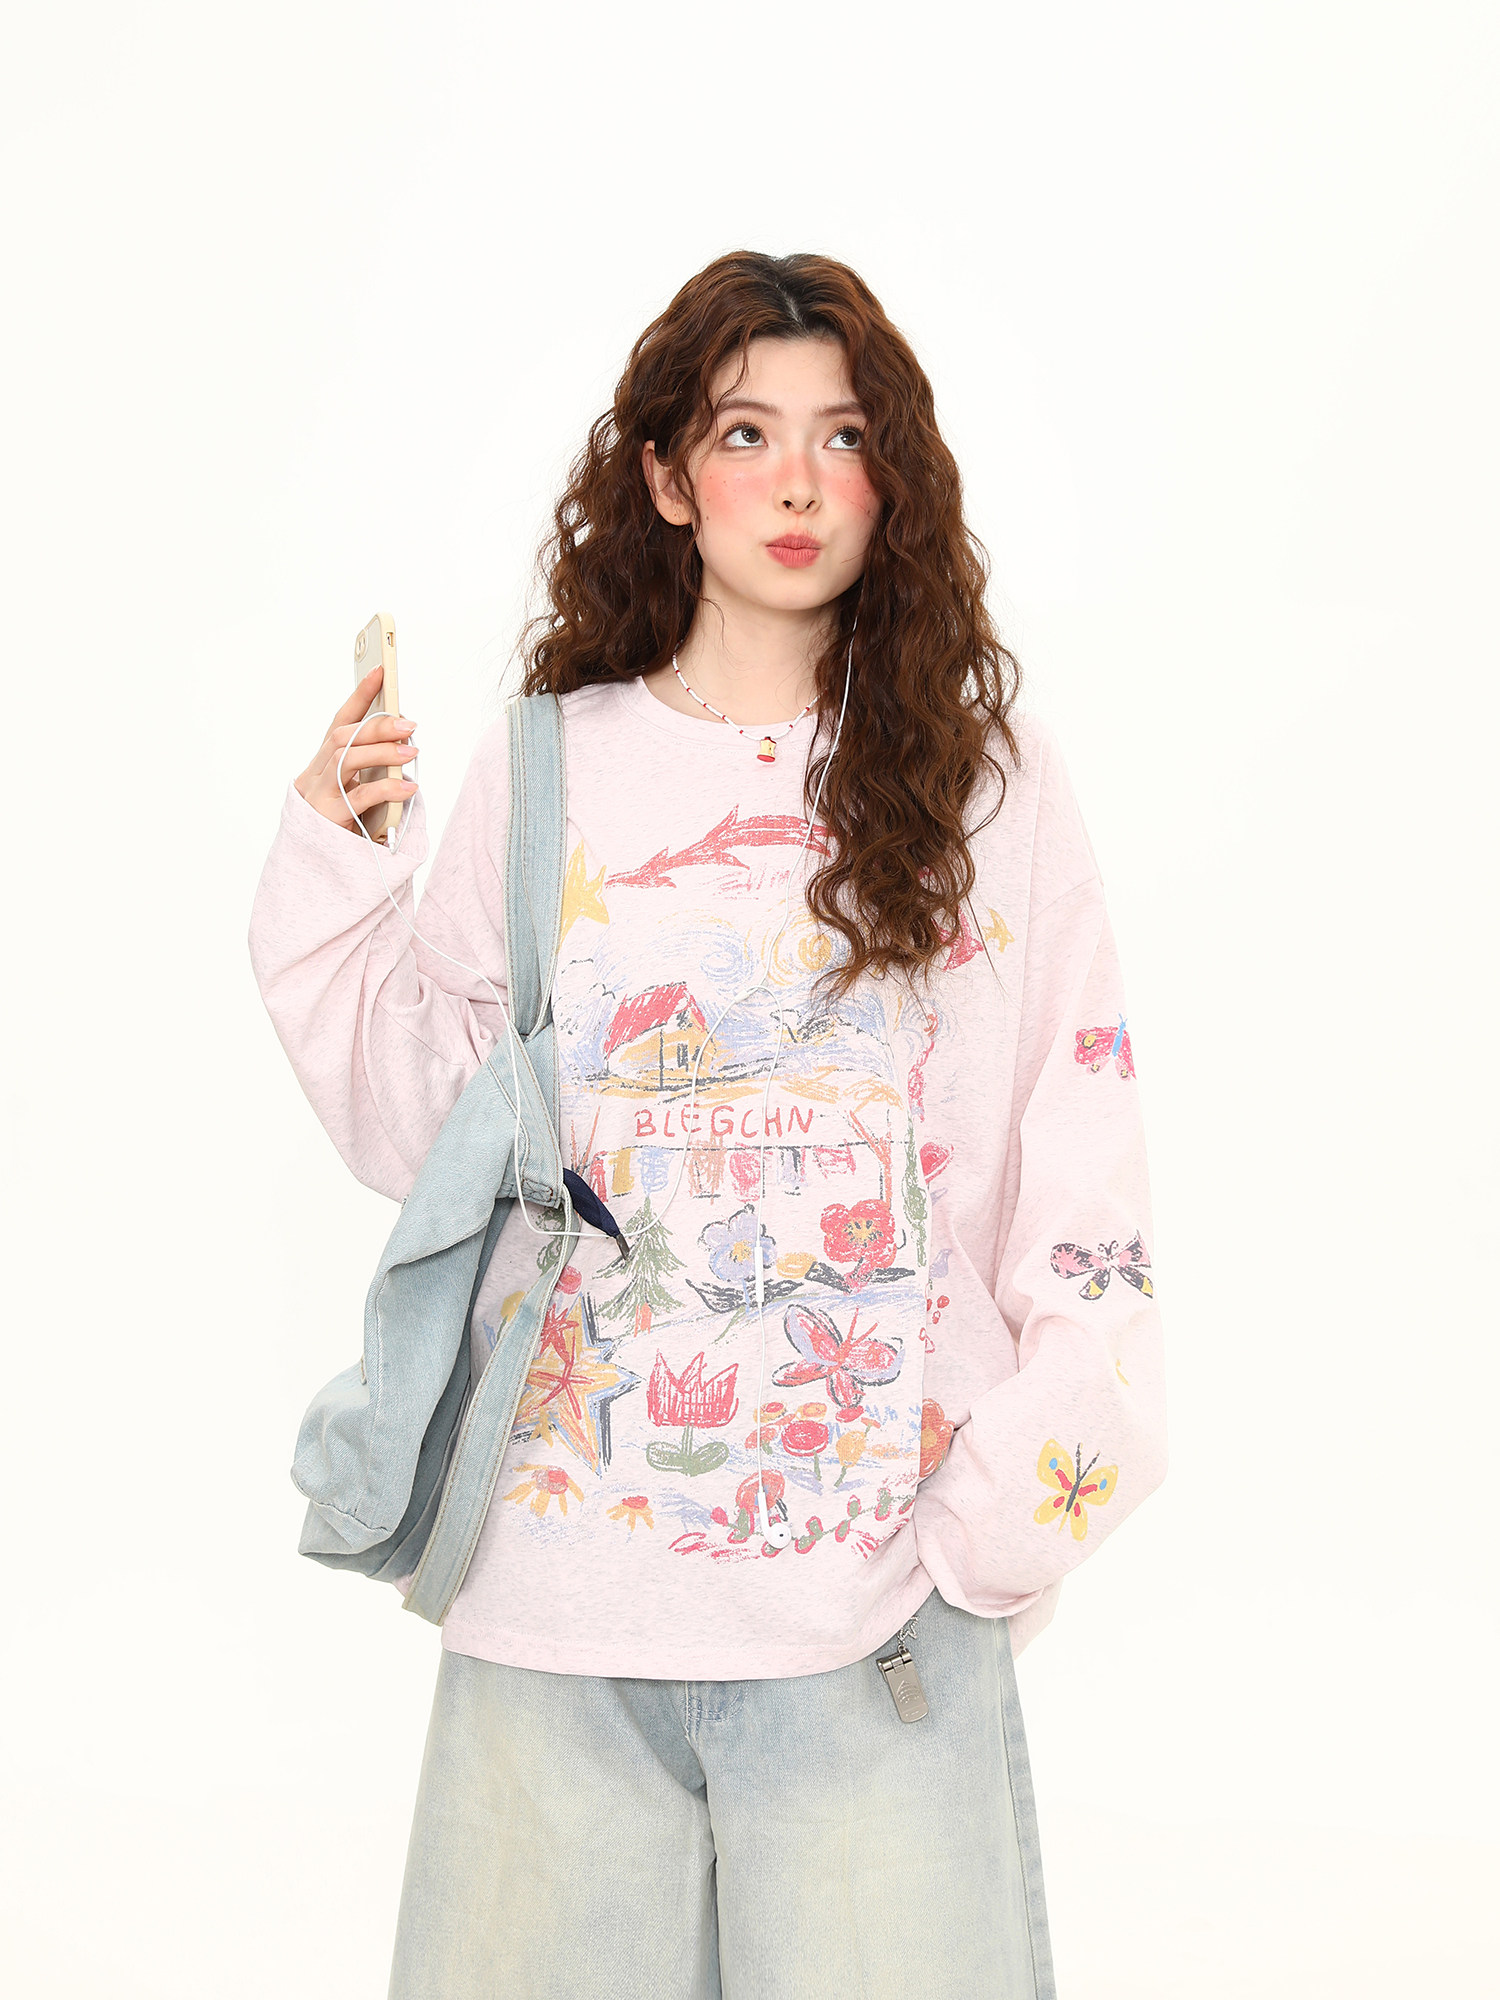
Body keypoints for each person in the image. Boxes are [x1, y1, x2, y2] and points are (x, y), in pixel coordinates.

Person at [249, 249, 1168, 2000]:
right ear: (669, 478)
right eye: (747, 433)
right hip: (554, 1621)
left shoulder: (984, 782)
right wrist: (338, 868)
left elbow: (1084, 1145)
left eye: (844, 435)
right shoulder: (548, 764)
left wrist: (994, 1520)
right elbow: (430, 1135)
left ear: (893, 476)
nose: (799, 482)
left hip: (880, 1622)